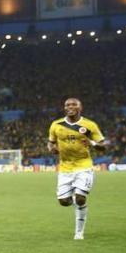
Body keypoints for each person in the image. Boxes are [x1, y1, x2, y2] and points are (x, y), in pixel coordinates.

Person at [48, 98, 108, 240]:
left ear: (80, 107)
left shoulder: (89, 125)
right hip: (65, 168)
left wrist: (91, 142)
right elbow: (50, 143)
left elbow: (103, 147)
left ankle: (79, 232)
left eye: (74, 104)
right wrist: (52, 149)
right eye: (67, 105)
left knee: (81, 198)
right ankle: (76, 201)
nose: (70, 107)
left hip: (84, 166)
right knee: (64, 202)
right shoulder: (56, 125)